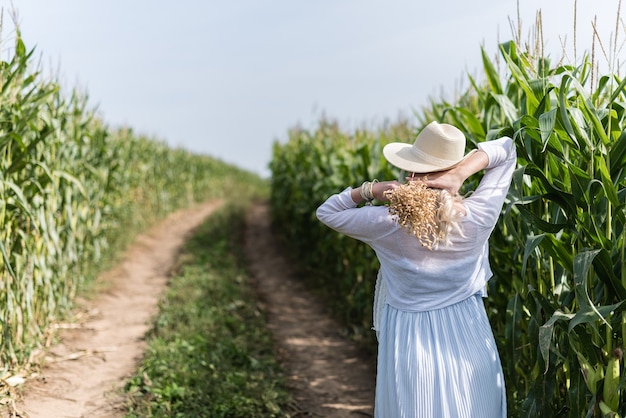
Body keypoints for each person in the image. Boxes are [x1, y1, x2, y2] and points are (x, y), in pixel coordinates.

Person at [316, 121, 516, 417]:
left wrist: (373, 190)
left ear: (410, 173)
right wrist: (459, 174)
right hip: (470, 335)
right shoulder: (479, 216)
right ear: (451, 170)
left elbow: (327, 211)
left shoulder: (385, 223)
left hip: (409, 339)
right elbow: (507, 149)